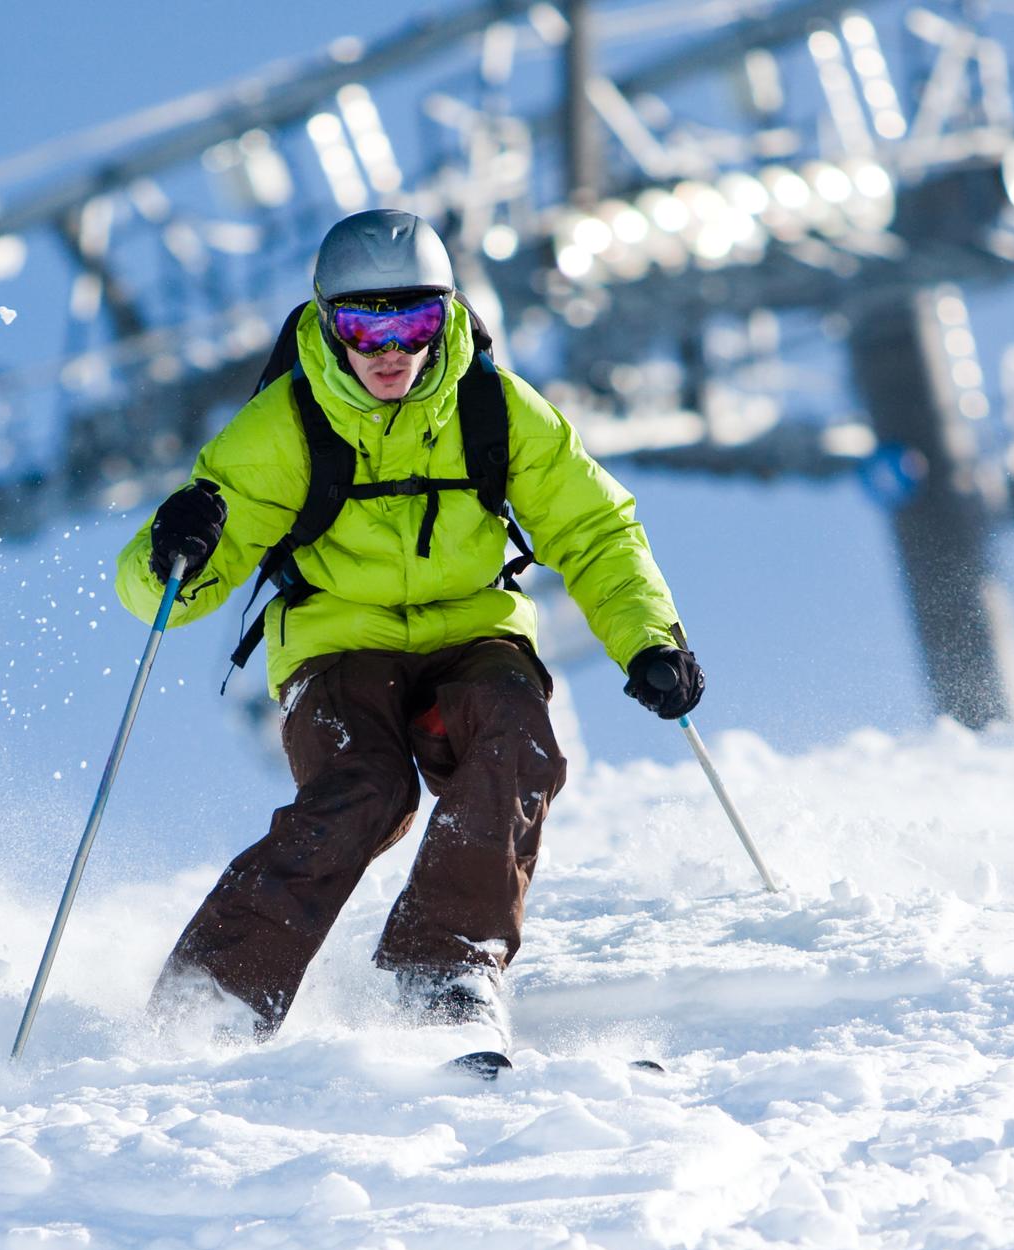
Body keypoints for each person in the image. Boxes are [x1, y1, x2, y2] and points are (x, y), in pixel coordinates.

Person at [114, 208, 703, 1046]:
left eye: (417, 323)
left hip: (473, 632)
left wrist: (650, 638)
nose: (391, 352)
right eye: (363, 326)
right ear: (328, 323)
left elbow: (595, 526)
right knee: (366, 787)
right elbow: (161, 593)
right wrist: (179, 545)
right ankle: (213, 996)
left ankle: (445, 967)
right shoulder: (286, 424)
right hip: (335, 641)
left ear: (447, 316)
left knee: (516, 739)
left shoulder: (493, 408)